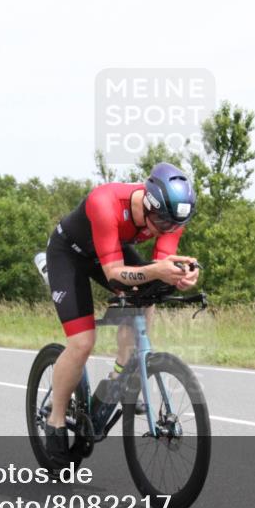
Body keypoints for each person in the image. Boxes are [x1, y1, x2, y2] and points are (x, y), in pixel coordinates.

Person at [42, 162, 199, 466]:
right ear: (149, 203)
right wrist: (155, 270)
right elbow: (114, 275)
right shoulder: (106, 202)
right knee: (82, 343)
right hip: (69, 256)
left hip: (109, 250)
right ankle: (55, 419)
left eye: (173, 226)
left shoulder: (170, 215)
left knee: (149, 293)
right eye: (162, 224)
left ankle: (118, 378)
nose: (166, 230)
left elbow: (159, 269)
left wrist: (179, 276)